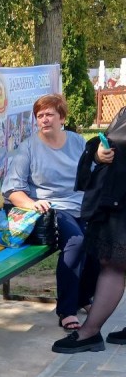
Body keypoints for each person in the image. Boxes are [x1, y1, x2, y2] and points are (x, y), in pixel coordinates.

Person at [2, 93, 99, 331]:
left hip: (81, 204)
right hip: (51, 209)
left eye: (49, 114)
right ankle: (66, 310)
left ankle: (83, 297)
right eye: (40, 115)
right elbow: (12, 189)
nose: (44, 119)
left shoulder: (77, 142)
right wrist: (31, 204)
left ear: (62, 118)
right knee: (76, 242)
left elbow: (94, 172)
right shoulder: (28, 148)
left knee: (98, 243)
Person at [52, 112, 126, 353]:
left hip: (120, 202)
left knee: (113, 264)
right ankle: (90, 332)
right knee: (113, 262)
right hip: (115, 198)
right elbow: (111, 140)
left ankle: (90, 332)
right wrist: (99, 154)